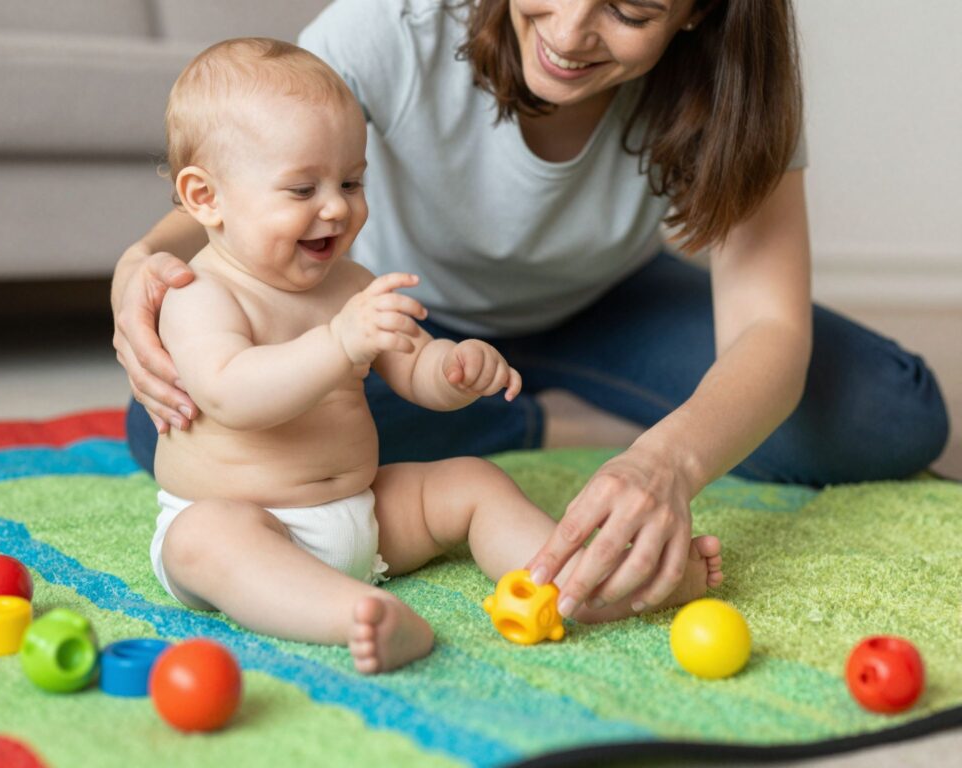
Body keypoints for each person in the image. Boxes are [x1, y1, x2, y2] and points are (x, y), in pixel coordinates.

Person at [112, 1, 948, 624]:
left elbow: (769, 328)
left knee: (890, 414)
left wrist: (669, 465)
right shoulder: (398, 25)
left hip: (603, 303)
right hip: (399, 311)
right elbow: (245, 163)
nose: (572, 31)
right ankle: (541, 422)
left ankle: (539, 430)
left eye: (629, 9)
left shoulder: (734, 91)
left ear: (697, 14)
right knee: (176, 427)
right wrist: (141, 262)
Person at [147, 37, 723, 673]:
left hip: (366, 515)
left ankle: (589, 584)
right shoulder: (200, 293)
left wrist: (453, 369)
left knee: (473, 482)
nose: (336, 207)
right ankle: (352, 616)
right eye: (302, 189)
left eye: (351, 181)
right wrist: (339, 343)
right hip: (252, 522)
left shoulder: (352, 284)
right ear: (205, 198)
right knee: (204, 541)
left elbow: (412, 367)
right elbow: (233, 394)